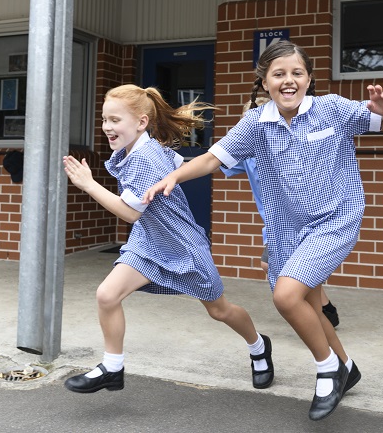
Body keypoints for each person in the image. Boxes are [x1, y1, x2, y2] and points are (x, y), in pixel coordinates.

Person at [143, 41, 383, 420]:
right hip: (285, 229)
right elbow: (214, 157)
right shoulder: (256, 123)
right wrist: (174, 176)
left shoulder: (332, 109)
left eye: (297, 73)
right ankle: (347, 366)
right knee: (308, 305)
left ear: (309, 78)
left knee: (286, 297)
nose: (289, 80)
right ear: (264, 82)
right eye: (279, 74)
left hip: (334, 219)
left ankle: (328, 369)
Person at [61, 84, 274, 394]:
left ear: (141, 122)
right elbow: (178, 165)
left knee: (219, 310)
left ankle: (258, 347)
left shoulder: (144, 155)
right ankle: (113, 367)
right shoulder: (144, 148)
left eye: (115, 120)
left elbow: (130, 213)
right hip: (148, 242)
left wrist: (88, 185)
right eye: (105, 119)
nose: (107, 127)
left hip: (182, 246)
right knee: (107, 295)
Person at [221, 97, 342, 328]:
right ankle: (323, 309)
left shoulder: (288, 149)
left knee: (278, 267)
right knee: (287, 267)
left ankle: (321, 313)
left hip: (300, 221)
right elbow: (217, 161)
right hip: (275, 224)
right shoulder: (248, 155)